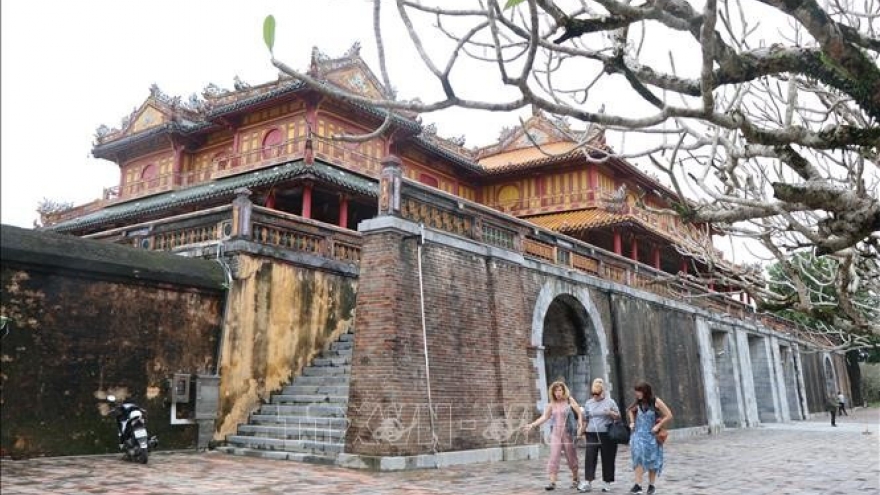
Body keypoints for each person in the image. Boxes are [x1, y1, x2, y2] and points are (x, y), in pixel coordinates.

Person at [524, 380, 585, 490]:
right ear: (552, 392)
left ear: (563, 391)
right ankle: (552, 482)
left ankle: (575, 478)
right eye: (556, 390)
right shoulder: (551, 404)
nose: (558, 392)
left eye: (560, 390)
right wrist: (532, 425)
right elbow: (544, 417)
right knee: (554, 456)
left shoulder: (569, 400)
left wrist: (580, 423)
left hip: (568, 433)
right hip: (556, 434)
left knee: (571, 457)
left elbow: (579, 412)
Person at [626, 382, 673, 495]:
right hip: (638, 435)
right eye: (636, 391)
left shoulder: (655, 401)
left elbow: (669, 415)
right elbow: (629, 410)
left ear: (645, 391)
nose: (637, 394)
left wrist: (658, 425)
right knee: (638, 457)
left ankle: (651, 485)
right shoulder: (638, 402)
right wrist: (632, 422)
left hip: (651, 436)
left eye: (639, 391)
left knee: (653, 460)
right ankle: (638, 485)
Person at [578, 378, 621, 493]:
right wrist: (581, 430)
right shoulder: (588, 403)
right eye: (593, 394)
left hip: (607, 435)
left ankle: (607, 482)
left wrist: (610, 413)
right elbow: (585, 419)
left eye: (597, 393)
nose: (595, 396)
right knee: (590, 457)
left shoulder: (610, 402)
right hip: (591, 434)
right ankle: (588, 482)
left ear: (603, 391)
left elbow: (618, 417)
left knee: (608, 458)